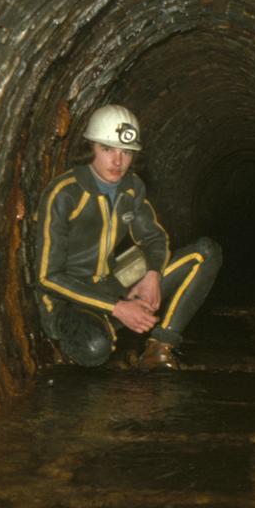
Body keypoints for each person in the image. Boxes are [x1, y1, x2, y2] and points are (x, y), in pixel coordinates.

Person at [35, 104, 221, 369]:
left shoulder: (131, 187)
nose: (117, 161)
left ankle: (160, 347)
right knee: (94, 348)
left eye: (126, 152)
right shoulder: (64, 194)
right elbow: (47, 277)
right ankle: (105, 330)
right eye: (107, 149)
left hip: (110, 283)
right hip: (69, 301)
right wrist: (118, 307)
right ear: (91, 148)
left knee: (206, 252)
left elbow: (154, 239)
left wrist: (152, 275)